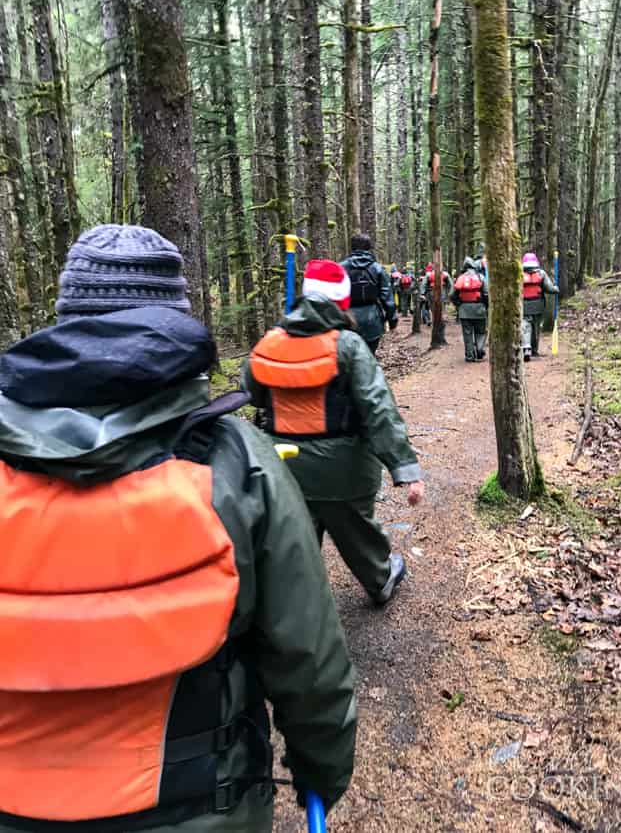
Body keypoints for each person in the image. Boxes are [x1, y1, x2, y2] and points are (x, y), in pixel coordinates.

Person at [0, 225, 356, 833]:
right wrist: (321, 769)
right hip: (204, 807)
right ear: (174, 316)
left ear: (66, 318)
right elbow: (308, 659)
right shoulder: (234, 460)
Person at [241, 259, 425, 606]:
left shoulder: (270, 343)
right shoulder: (350, 346)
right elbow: (378, 409)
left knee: (296, 540)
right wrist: (405, 470)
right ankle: (380, 579)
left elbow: (250, 390)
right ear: (342, 303)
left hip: (283, 467)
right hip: (345, 472)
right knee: (359, 534)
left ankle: (296, 605)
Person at [341, 234, 397, 355]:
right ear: (368, 248)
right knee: (369, 355)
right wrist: (392, 320)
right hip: (372, 319)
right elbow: (387, 296)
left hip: (347, 318)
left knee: (349, 356)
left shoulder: (341, 268)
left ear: (352, 247)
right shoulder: (377, 268)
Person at [521, 251, 558, 361]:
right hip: (538, 305)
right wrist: (556, 288)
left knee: (525, 326)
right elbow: (549, 289)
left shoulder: (519, 274)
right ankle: (534, 350)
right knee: (536, 327)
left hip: (523, 305)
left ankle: (526, 347)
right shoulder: (541, 274)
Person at [451, 256, 489, 362]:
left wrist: (459, 305)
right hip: (479, 309)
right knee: (480, 332)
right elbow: (486, 294)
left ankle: (469, 355)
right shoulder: (481, 277)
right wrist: (486, 306)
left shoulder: (460, 278)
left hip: (464, 311)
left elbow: (453, 295)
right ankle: (479, 351)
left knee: (467, 334)